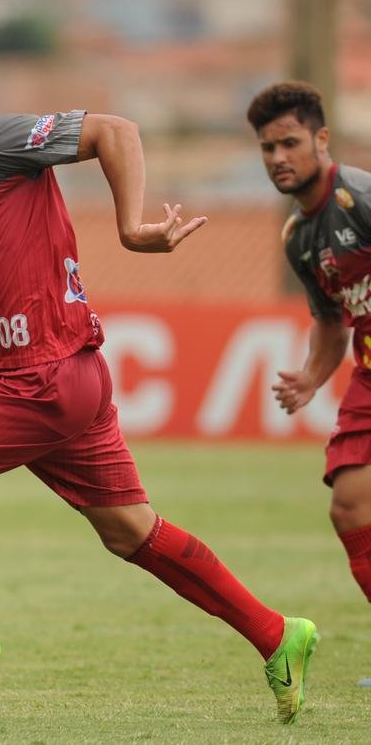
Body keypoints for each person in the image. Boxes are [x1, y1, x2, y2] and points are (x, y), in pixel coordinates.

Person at [0, 38, 318, 725]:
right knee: (130, 533)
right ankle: (276, 634)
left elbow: (115, 131)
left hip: (46, 378)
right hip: (65, 382)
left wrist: (133, 227)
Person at [247, 81, 371, 688]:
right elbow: (330, 321)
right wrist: (311, 378)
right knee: (350, 507)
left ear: (321, 139)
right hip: (368, 377)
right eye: (267, 148)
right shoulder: (300, 238)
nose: (277, 158)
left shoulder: (363, 200)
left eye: (289, 143)